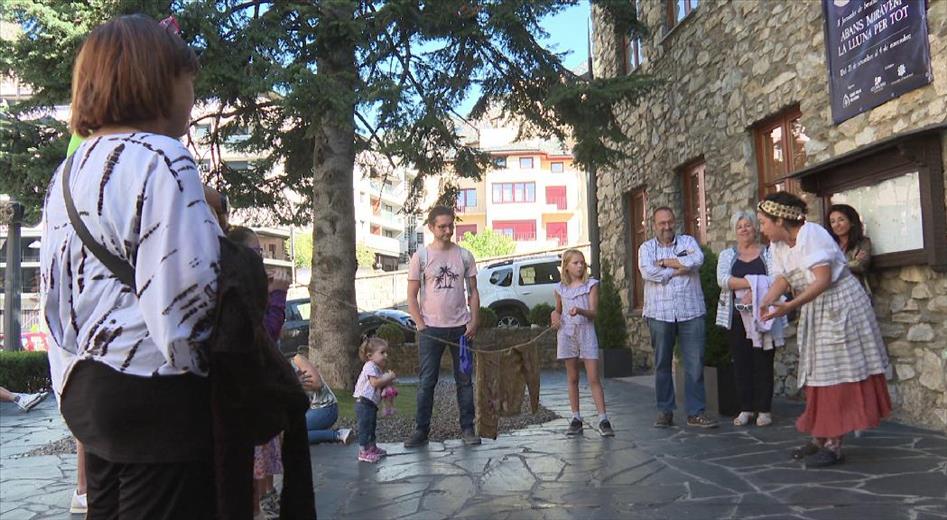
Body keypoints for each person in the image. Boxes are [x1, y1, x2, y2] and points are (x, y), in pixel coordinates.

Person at [39, 15, 222, 517]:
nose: (193, 96)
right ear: (160, 79)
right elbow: (185, 319)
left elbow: (54, 301)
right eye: (190, 81)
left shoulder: (68, 172)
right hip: (159, 399)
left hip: (91, 396)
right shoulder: (164, 158)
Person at [757, 192, 890, 467]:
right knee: (817, 372)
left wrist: (790, 305)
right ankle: (820, 436)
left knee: (837, 373)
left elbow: (823, 280)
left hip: (840, 306)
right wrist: (768, 299)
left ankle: (834, 445)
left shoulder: (812, 234)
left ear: (780, 220)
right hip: (816, 307)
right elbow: (783, 278)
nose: (761, 228)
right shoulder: (779, 246)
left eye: (763, 222)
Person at [226, 226, 293, 520]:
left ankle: (265, 498)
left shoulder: (239, 287)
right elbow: (266, 333)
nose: (262, 260)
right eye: (256, 253)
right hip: (243, 400)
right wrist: (277, 296)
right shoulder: (233, 292)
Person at [404, 205, 481, 448]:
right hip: (431, 330)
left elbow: (474, 291)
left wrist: (474, 320)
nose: (448, 231)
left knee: (465, 380)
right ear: (431, 227)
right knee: (427, 381)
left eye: (450, 226)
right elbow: (411, 295)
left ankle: (468, 428)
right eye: (442, 227)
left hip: (461, 329)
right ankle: (421, 431)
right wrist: (420, 323)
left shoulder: (465, 256)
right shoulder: (421, 257)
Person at [638, 207, 718, 429]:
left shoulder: (688, 242)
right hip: (659, 313)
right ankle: (665, 410)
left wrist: (664, 263)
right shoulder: (646, 248)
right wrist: (678, 268)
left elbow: (697, 260)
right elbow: (647, 272)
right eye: (662, 223)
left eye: (670, 222)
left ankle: (696, 412)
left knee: (694, 364)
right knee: (662, 363)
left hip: (691, 311)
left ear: (675, 222)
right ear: (654, 225)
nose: (667, 227)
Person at [715, 211, 786, 427]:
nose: (744, 229)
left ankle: (764, 409)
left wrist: (753, 290)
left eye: (748, 225)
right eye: (740, 226)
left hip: (764, 316)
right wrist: (753, 284)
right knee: (742, 363)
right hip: (736, 317)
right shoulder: (727, 255)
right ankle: (745, 408)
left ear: (755, 228)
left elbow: (776, 278)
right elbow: (723, 280)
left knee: (764, 362)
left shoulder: (768, 253)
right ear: (735, 231)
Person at [550, 249, 614, 437]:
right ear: (566, 267)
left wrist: (580, 310)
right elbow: (558, 310)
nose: (580, 266)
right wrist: (554, 317)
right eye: (575, 263)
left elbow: (594, 312)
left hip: (586, 332)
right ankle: (576, 418)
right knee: (572, 377)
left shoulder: (591, 285)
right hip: (567, 333)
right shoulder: (560, 289)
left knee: (593, 377)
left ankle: (603, 418)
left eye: (582, 262)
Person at [292, 350, 354, 445]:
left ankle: (338, 434)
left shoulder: (297, 359)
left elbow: (317, 384)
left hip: (325, 408)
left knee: (293, 435)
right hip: (307, 411)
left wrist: (293, 383)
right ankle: (318, 434)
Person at [353, 337, 397, 463]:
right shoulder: (369, 366)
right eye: (382, 352)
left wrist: (389, 384)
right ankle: (363, 451)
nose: (386, 355)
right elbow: (375, 383)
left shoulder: (377, 368)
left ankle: (372, 447)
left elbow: (381, 385)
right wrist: (388, 377)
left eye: (386, 352)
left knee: (371, 426)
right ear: (370, 356)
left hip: (370, 403)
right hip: (364, 402)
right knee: (365, 427)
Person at [826, 204, 872, 296]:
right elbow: (825, 270)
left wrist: (836, 266)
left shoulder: (863, 243)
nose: (837, 225)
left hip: (857, 292)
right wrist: (852, 262)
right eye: (832, 222)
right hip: (834, 294)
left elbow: (861, 266)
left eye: (841, 220)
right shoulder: (828, 246)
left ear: (852, 222)